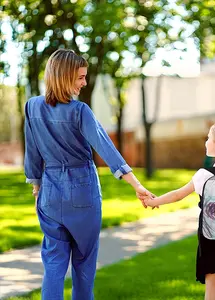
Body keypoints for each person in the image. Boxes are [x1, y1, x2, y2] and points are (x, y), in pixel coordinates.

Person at [24, 49, 153, 300]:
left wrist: (37, 188)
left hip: (49, 193)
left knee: (53, 263)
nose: (84, 83)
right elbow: (107, 148)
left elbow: (32, 152)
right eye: (80, 77)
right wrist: (136, 184)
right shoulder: (79, 110)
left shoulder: (32, 107)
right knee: (84, 264)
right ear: (64, 77)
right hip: (82, 190)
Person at [144, 120, 215, 300]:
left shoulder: (204, 175)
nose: (206, 142)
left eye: (208, 138)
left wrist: (154, 202)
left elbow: (177, 195)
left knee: (211, 293)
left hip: (212, 243)